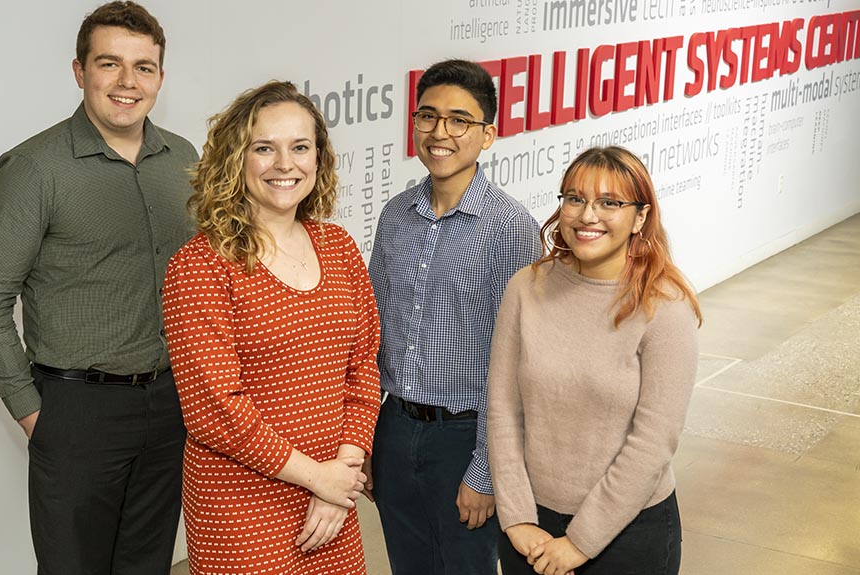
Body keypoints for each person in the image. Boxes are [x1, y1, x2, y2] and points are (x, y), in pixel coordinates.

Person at [0, 2, 196, 573]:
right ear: (79, 70)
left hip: (170, 407)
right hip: (75, 412)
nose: (127, 82)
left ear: (160, 77)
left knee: (148, 563)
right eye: (109, 63)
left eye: (144, 67)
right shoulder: (34, 169)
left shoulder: (185, 160)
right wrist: (34, 414)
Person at [161, 81, 381, 575]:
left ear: (318, 158)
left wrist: (340, 477)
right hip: (242, 508)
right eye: (265, 148)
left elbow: (363, 367)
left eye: (300, 147)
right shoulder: (200, 266)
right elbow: (214, 407)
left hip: (333, 502)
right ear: (236, 160)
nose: (286, 164)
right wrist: (316, 478)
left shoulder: (339, 246)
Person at [487, 146, 703, 575]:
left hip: (628, 534)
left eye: (610, 203)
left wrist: (580, 542)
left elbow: (653, 443)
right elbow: (503, 411)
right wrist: (517, 519)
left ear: (640, 217)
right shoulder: (526, 288)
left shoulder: (666, 307)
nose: (588, 216)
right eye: (575, 199)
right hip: (531, 529)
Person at [366, 59, 541, 575]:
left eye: (459, 120)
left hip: (464, 439)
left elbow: (516, 363)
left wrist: (486, 471)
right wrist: (366, 440)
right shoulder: (395, 215)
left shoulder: (511, 228)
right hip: (395, 429)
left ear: (487, 135)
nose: (440, 132)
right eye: (428, 116)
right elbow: (373, 333)